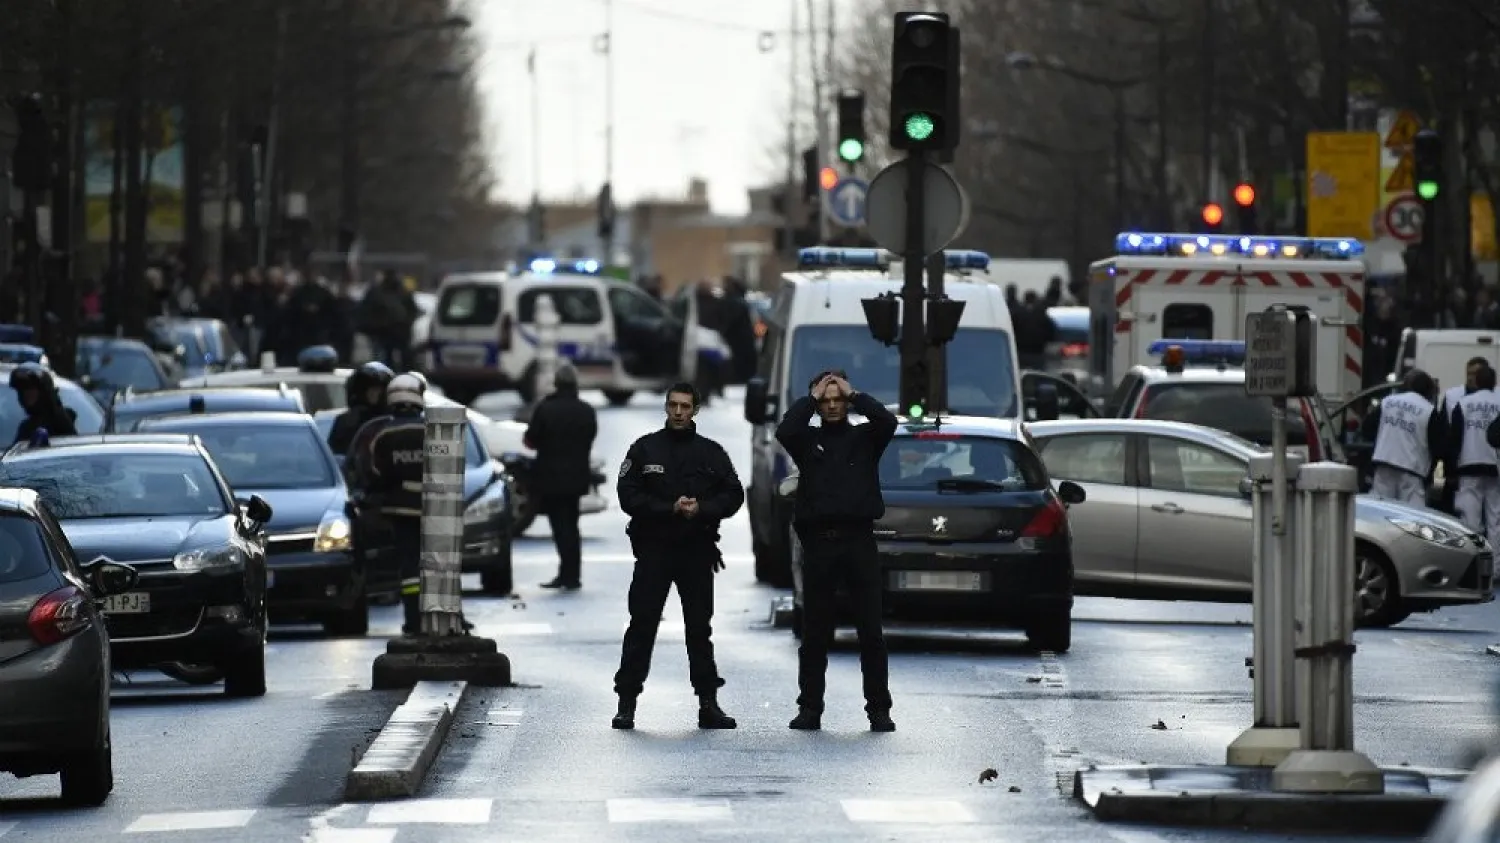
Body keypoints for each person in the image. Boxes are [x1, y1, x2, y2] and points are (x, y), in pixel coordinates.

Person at [612, 382, 743, 731]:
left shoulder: (710, 453)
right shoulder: (645, 448)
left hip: (696, 551)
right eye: (673, 405)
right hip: (655, 549)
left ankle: (708, 704)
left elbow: (734, 494)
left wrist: (703, 509)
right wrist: (667, 508)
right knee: (642, 625)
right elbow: (627, 495)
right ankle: (626, 703)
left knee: (699, 629)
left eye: (685, 406)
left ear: (695, 410)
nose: (679, 412)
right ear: (666, 407)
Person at [775, 369, 898, 733]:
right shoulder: (806, 438)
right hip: (820, 543)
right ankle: (810, 708)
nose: (831, 406)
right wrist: (811, 397)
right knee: (815, 633)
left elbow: (887, 420)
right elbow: (785, 430)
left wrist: (855, 393)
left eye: (837, 400)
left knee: (870, 633)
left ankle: (879, 709)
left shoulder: (865, 437)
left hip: (859, 541)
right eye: (825, 401)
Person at [350, 373, 428, 633]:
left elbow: (370, 471)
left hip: (399, 509)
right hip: (436, 509)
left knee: (409, 567)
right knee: (439, 564)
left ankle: (413, 621)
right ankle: (443, 618)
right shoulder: (433, 430)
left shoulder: (380, 433)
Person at [523, 362, 598, 590]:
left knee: (559, 527)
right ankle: (572, 574)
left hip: (550, 478)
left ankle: (566, 574)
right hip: (577, 478)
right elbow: (590, 437)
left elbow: (529, 441)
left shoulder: (545, 408)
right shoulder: (586, 410)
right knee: (572, 526)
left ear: (556, 383)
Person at [1363, 368, 1444, 507]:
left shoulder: (1388, 402)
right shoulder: (1429, 411)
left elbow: (1367, 429)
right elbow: (1438, 446)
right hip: (1412, 471)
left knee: (1380, 509)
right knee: (1411, 517)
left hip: (1384, 464)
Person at [1450, 365, 1500, 549]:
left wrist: (1451, 471)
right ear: (1495, 383)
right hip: (1495, 468)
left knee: (1470, 521)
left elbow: (1455, 439)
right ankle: (1496, 569)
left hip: (1468, 466)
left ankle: (1474, 564)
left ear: (1476, 382)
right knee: (1495, 522)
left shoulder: (1464, 403)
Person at [1440, 358, 1490, 510]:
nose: (1470, 377)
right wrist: (1450, 470)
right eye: (1468, 373)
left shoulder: (1495, 399)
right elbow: (1447, 434)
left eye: (1475, 374)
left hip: (1491, 466)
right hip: (1463, 466)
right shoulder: (1452, 397)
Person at [328, 361, 396, 457]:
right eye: (370, 389)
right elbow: (334, 456)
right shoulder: (345, 421)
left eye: (378, 389)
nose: (374, 393)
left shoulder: (393, 421)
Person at [12, 363, 77, 445]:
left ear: (44, 391)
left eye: (31, 388)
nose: (26, 394)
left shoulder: (61, 422)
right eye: (22, 390)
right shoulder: (27, 427)